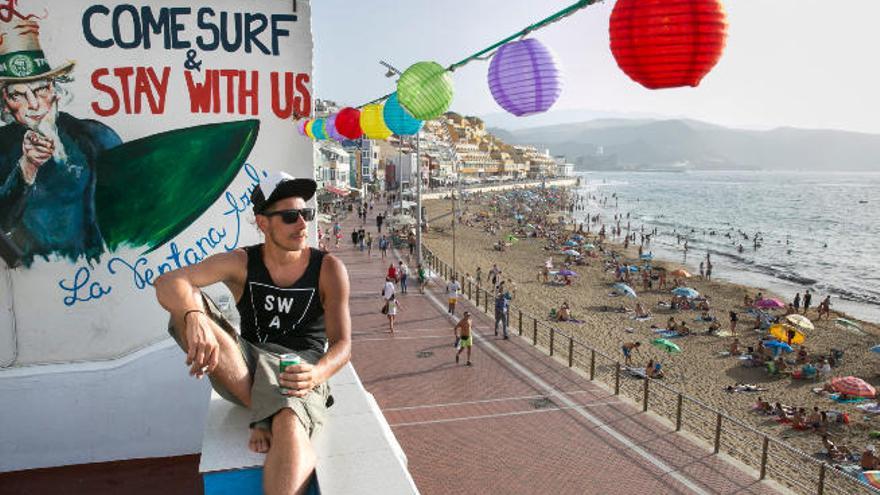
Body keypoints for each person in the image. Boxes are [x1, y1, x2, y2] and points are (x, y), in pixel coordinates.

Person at [154, 172, 351, 495]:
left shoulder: (328, 269)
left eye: (307, 214)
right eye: (290, 216)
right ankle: (267, 412)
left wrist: (316, 374)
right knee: (186, 305)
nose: (303, 225)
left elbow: (343, 344)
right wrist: (193, 315)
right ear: (263, 223)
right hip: (249, 366)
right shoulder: (242, 262)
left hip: (298, 369)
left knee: (288, 420)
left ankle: (268, 416)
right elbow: (167, 282)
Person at [0, 21, 123, 265]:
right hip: (28, 278)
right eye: (18, 95)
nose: (33, 104)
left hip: (97, 272)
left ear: (55, 89)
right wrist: (26, 169)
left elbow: (127, 203)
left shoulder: (95, 136)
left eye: (40, 90)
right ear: (6, 103)